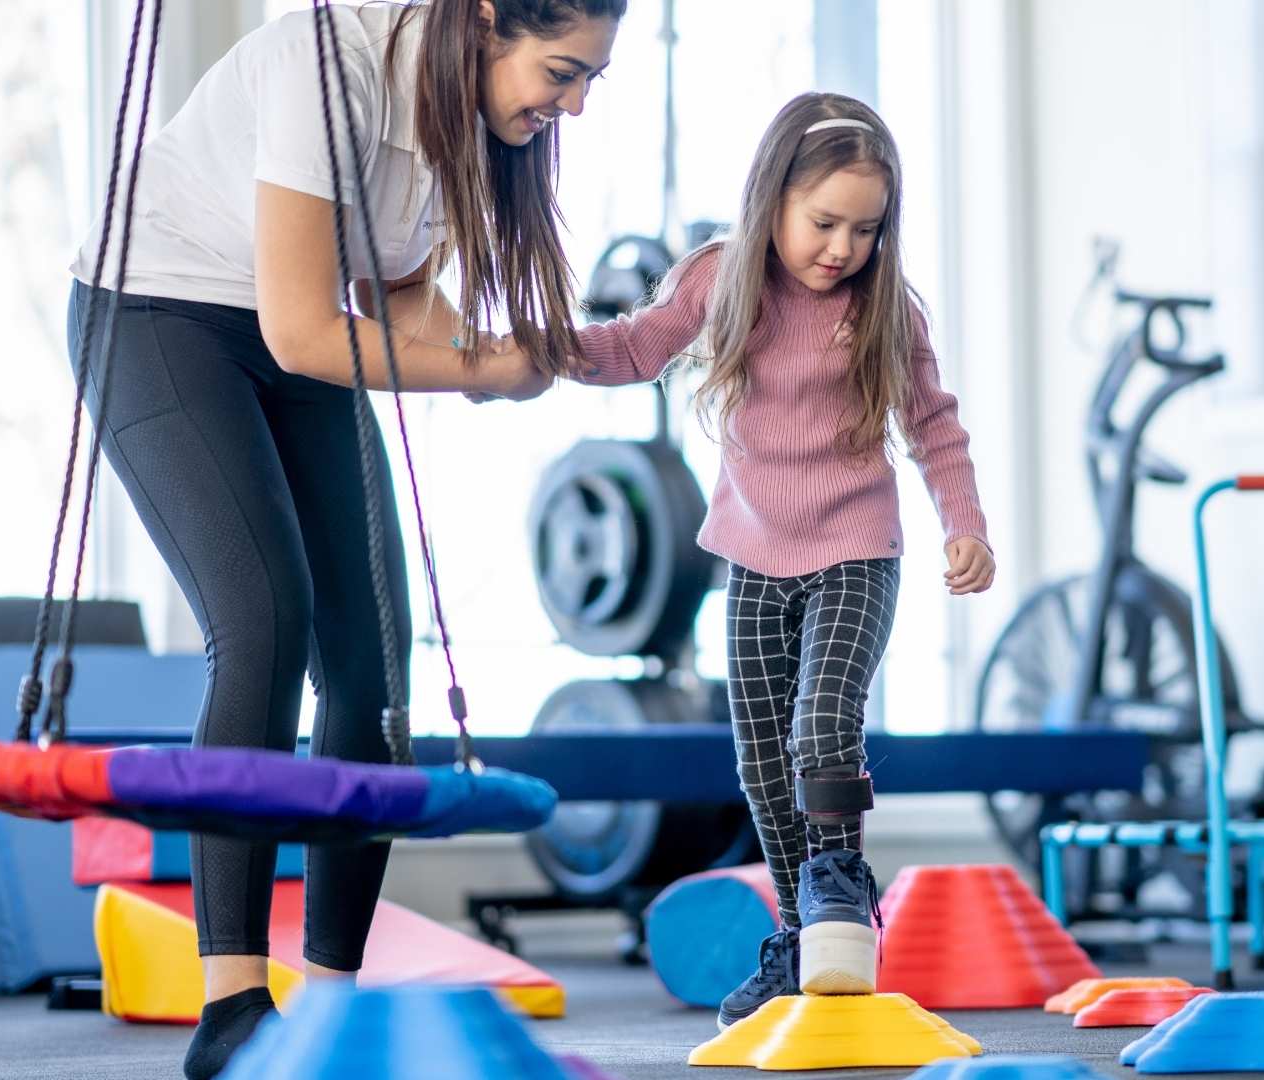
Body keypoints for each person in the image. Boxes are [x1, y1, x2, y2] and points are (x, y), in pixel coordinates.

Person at [64, 3, 622, 1076]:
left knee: (370, 664)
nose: (574, 104)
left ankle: (335, 1004)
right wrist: (478, 373)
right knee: (263, 620)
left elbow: (396, 288)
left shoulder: (469, 112)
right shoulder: (331, 67)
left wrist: (507, 352)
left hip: (299, 333)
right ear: (489, 20)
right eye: (561, 72)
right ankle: (230, 1008)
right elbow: (304, 329)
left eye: (591, 80)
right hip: (160, 312)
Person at [483, 91, 995, 1028]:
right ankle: (806, 942)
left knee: (821, 716)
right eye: (824, 222)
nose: (842, 247)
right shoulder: (723, 279)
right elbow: (637, 347)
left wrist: (965, 524)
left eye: (866, 229)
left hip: (856, 551)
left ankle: (840, 892)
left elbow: (933, 423)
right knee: (760, 760)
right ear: (773, 202)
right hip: (754, 557)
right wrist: (545, 349)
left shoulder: (885, 308)